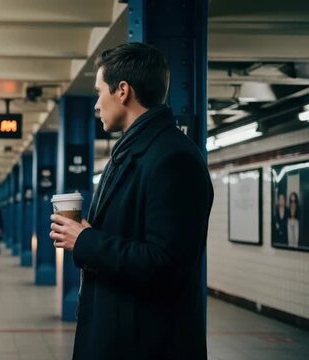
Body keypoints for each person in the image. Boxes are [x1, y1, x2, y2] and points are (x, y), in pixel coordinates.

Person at [49, 42, 214, 360]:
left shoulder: (173, 159)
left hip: (148, 346)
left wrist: (86, 240)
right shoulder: (133, 153)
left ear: (122, 90)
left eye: (99, 92)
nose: (96, 104)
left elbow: (166, 264)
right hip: (122, 336)